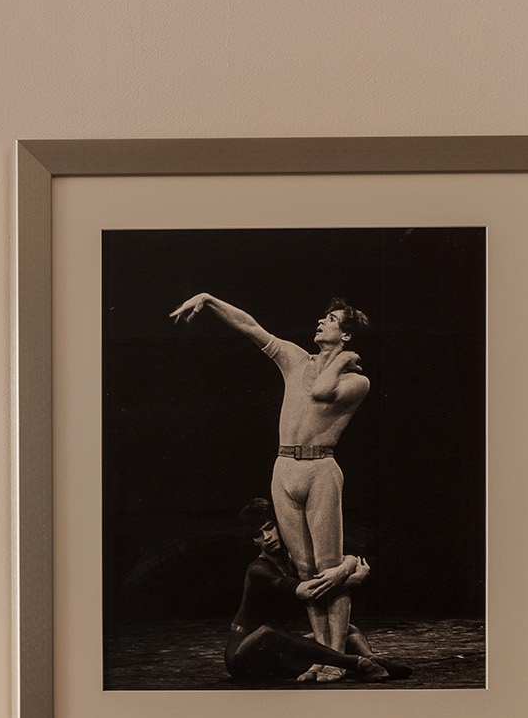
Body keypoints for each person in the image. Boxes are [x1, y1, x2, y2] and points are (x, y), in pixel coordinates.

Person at [168, 290, 371, 657]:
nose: (321, 321)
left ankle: (338, 660)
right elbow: (251, 327)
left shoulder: (358, 381)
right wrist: (210, 301)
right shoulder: (295, 358)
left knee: (328, 569)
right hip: (284, 468)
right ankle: (324, 656)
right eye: (323, 317)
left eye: (331, 320)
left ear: (346, 335)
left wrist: (340, 362)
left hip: (320, 469)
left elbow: (322, 392)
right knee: (307, 571)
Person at [223, 500, 407, 685]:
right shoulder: (258, 570)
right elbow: (308, 592)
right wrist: (352, 580)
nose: (267, 537)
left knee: (348, 630)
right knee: (269, 631)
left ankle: (373, 660)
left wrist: (346, 566)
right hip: (243, 657)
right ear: (254, 541)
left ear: (279, 525)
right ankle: (357, 663)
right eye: (259, 534)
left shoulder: (293, 559)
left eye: (270, 528)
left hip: (276, 654)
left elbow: (344, 559)